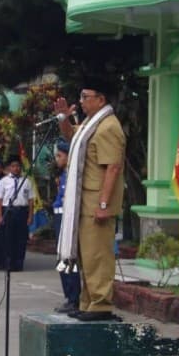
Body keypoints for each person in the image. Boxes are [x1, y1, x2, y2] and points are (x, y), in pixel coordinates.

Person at [54, 80, 125, 322]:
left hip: (97, 202)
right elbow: (72, 138)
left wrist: (104, 204)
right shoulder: (90, 124)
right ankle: (88, 302)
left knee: (98, 254)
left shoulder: (108, 127)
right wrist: (64, 117)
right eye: (81, 97)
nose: (81, 102)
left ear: (101, 99)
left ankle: (101, 304)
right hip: (82, 201)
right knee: (85, 255)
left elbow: (113, 168)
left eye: (86, 97)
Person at [52, 141, 81, 313]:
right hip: (59, 215)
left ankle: (74, 297)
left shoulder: (72, 174)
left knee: (68, 257)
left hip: (66, 217)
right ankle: (69, 296)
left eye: (60, 156)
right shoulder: (63, 174)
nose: (57, 159)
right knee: (61, 258)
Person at [0, 156, 33, 272]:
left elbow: (30, 200)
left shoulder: (26, 181)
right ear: (9, 168)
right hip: (8, 211)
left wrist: (30, 216)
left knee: (20, 239)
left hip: (21, 211)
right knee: (7, 238)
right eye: (13, 166)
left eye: (18, 166)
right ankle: (7, 262)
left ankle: (19, 263)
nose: (16, 168)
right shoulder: (2, 182)